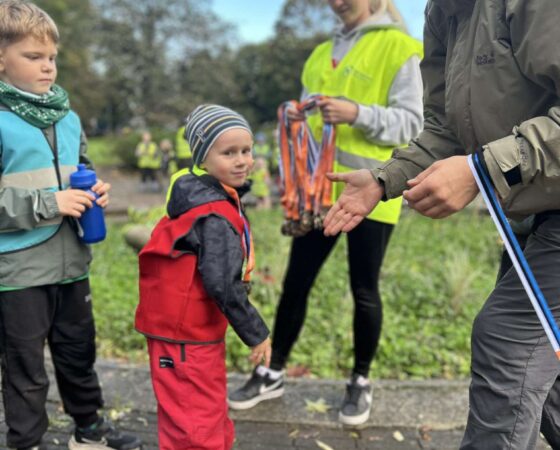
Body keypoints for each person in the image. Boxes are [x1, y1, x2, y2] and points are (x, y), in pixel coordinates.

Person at [323, 0, 560, 448]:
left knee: (508, 344)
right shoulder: (444, 13)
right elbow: (445, 126)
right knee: (544, 384)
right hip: (533, 212)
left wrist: (479, 170)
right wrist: (383, 179)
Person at [229, 0, 423, 426]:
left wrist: (357, 113)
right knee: (296, 282)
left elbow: (414, 123)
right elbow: (306, 131)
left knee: (364, 289)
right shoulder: (319, 54)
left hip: (374, 190)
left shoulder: (401, 46)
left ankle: (360, 380)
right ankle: (272, 371)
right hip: (318, 195)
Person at [0, 2, 142, 450]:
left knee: (79, 353)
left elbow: (80, 167)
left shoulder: (68, 115)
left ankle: (89, 429)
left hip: (73, 260)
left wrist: (95, 187)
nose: (47, 67)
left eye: (52, 57)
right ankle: (26, 441)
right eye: (33, 57)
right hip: (18, 270)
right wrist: (50, 202)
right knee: (25, 366)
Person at [135, 104, 272, 450]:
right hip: (186, 337)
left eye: (246, 150)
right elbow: (223, 284)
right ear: (203, 157)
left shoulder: (203, 197)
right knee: (194, 424)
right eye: (229, 153)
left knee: (202, 411)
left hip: (190, 334)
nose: (242, 160)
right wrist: (257, 334)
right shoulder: (212, 215)